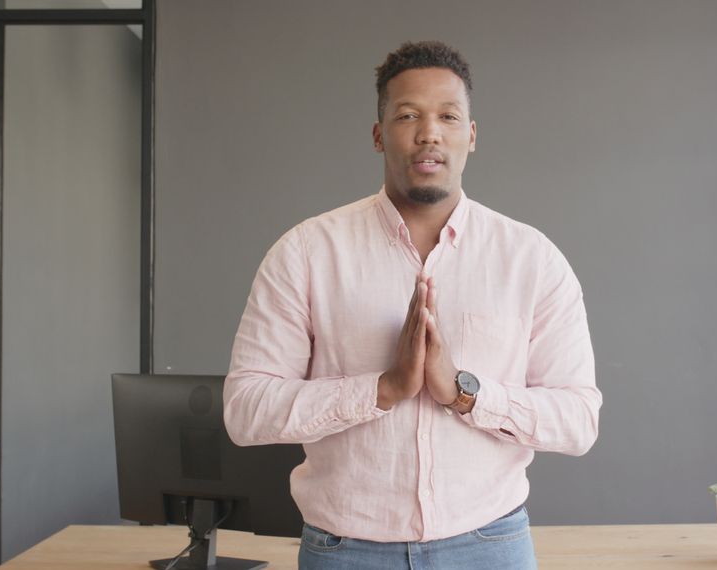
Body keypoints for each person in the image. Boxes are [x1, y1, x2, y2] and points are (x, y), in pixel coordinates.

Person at [223, 40, 601, 570]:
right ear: (379, 135)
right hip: (344, 550)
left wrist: (465, 393)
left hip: (489, 546)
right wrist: (381, 390)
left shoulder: (532, 260)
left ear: (471, 135)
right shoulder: (306, 253)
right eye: (407, 115)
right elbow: (246, 410)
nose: (429, 132)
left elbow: (579, 420)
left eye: (448, 116)